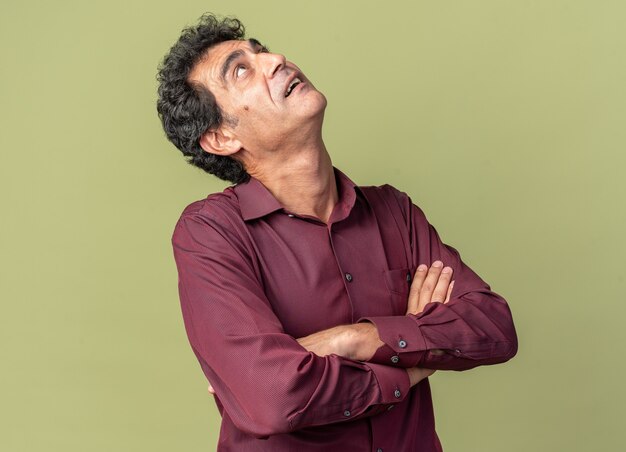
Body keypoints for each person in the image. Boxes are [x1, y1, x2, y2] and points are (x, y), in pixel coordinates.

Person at [157, 13, 518, 452]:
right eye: (241, 69)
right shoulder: (210, 233)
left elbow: (494, 328)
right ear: (220, 138)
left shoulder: (394, 211)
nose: (276, 60)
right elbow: (274, 397)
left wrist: (355, 339)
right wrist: (410, 360)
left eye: (261, 50)